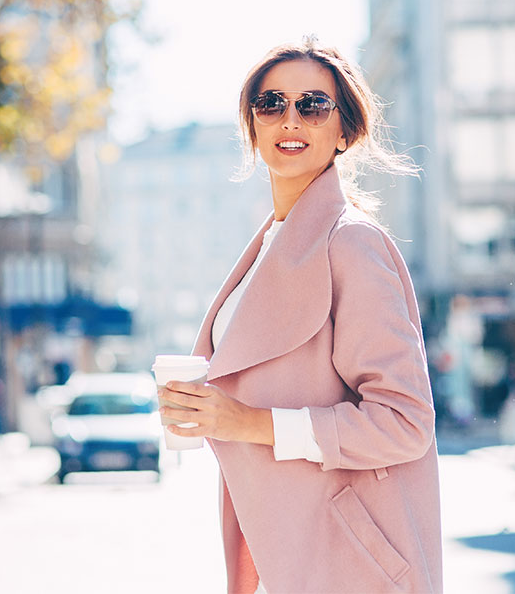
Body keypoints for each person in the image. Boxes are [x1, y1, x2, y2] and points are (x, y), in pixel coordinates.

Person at [159, 37, 442, 593]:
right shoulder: (269, 247)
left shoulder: (350, 242)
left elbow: (407, 423)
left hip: (346, 563)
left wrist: (248, 423)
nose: (291, 118)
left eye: (313, 105)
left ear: (344, 131)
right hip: (279, 554)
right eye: (271, 104)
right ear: (253, 127)